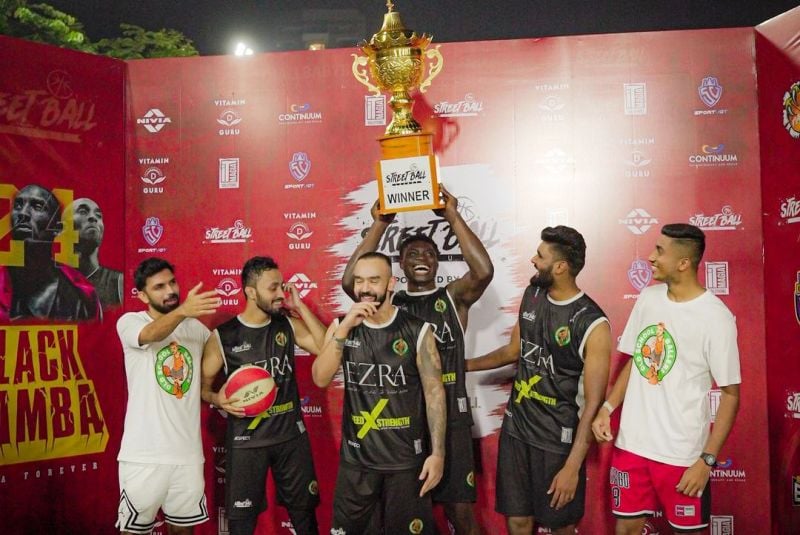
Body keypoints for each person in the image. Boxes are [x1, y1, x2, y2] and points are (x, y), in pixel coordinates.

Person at [342, 185, 493, 534]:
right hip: (403, 427)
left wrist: (452, 214)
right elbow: (352, 282)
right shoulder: (390, 307)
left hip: (450, 423)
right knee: (405, 518)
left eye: (428, 253)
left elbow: (483, 271)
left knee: (461, 514)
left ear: (438, 261)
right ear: (400, 265)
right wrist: (380, 224)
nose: (422, 258)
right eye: (412, 254)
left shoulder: (453, 298)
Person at [591, 224, 741, 535]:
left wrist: (706, 461)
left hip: (682, 456)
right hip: (631, 447)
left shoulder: (716, 317)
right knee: (625, 529)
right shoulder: (648, 297)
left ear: (684, 263)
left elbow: (730, 393)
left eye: (660, 251)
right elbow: (637, 361)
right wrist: (607, 407)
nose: (650, 257)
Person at [467, 226, 611, 535]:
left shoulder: (592, 323)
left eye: (540, 256)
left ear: (560, 267)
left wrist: (572, 467)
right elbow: (513, 350)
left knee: (560, 526)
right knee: (518, 522)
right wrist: (464, 365)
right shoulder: (532, 295)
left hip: (557, 442)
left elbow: (592, 404)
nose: (533, 260)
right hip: (517, 430)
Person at [313, 252, 446, 534]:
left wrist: (438, 454)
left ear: (390, 284)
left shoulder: (417, 330)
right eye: (359, 281)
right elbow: (320, 378)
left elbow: (435, 395)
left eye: (374, 280)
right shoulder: (341, 327)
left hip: (405, 463)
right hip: (357, 463)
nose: (365, 288)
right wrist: (345, 328)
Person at [201, 256, 327, 535]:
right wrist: (216, 399)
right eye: (273, 288)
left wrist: (300, 307)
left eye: (282, 286)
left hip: (290, 437)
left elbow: (324, 347)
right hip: (247, 442)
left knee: (305, 521)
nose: (281, 294)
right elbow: (203, 387)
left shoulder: (286, 325)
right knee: (242, 526)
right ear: (250, 291)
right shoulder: (223, 336)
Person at [116, 257, 220, 535]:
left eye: (172, 282)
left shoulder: (197, 330)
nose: (170, 290)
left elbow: (208, 373)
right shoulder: (130, 322)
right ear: (142, 295)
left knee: (184, 531)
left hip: (187, 456)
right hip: (143, 456)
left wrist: (216, 396)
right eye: (159, 286)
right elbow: (150, 334)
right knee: (133, 532)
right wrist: (184, 311)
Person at [0, 184, 100, 321]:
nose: (23, 213)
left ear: (57, 228)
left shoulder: (82, 295)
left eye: (37, 207)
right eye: (18, 205)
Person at [67, 197, 123, 308]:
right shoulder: (51, 283)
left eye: (99, 215)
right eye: (82, 212)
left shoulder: (118, 282)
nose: (93, 217)